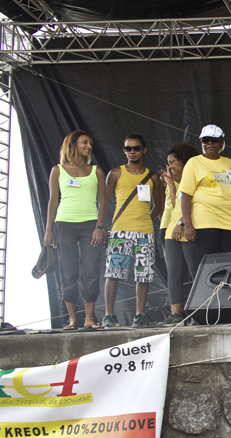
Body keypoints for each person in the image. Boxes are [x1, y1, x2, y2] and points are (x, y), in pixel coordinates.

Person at [43, 131, 108, 330]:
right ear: (72, 144)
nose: (89, 146)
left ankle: (89, 318)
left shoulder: (96, 171)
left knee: (91, 270)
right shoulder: (57, 170)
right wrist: (48, 230)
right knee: (68, 270)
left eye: (90, 143)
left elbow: (103, 202)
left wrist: (99, 226)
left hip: (90, 225)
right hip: (64, 225)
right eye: (84, 142)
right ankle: (72, 319)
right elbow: (52, 201)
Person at [102, 134, 164, 328]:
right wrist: (100, 226)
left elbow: (160, 205)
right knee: (113, 272)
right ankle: (109, 315)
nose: (132, 152)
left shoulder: (153, 177)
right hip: (120, 230)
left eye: (136, 148)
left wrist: (147, 219)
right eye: (128, 148)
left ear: (144, 150)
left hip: (145, 232)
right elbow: (104, 202)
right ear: (124, 150)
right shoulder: (115, 173)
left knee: (143, 274)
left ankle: (140, 314)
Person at [179, 124, 231, 267]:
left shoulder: (228, 162)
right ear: (201, 142)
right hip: (205, 221)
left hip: (230, 221)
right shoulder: (193, 162)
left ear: (221, 142)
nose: (209, 143)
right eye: (205, 140)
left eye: (214, 140)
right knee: (207, 266)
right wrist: (188, 224)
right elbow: (186, 195)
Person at [161, 142, 200, 325]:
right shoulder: (177, 181)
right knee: (174, 272)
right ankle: (176, 313)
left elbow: (196, 205)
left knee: (195, 271)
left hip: (187, 228)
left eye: (172, 162)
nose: (169, 166)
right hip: (172, 231)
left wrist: (181, 222)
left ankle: (197, 310)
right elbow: (177, 205)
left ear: (183, 161)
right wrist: (171, 185)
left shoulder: (194, 177)